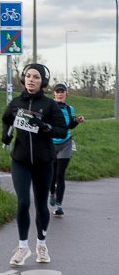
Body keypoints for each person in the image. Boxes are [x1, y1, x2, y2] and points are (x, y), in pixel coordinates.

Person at [1, 63, 67, 267]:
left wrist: (45, 126)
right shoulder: (16, 103)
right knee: (23, 202)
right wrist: (5, 135)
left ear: (43, 81)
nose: (31, 80)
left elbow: (62, 130)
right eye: (28, 76)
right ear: (23, 78)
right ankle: (22, 247)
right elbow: (6, 119)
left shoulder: (50, 105)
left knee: (40, 205)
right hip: (20, 160)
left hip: (43, 162)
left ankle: (41, 244)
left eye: (36, 77)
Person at [49, 83, 85, 216]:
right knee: (51, 175)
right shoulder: (49, 106)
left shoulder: (70, 109)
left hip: (66, 144)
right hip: (51, 144)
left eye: (62, 91)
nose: (60, 94)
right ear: (54, 93)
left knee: (60, 174)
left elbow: (70, 125)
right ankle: (52, 193)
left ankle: (59, 206)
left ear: (66, 94)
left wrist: (77, 121)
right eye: (57, 91)